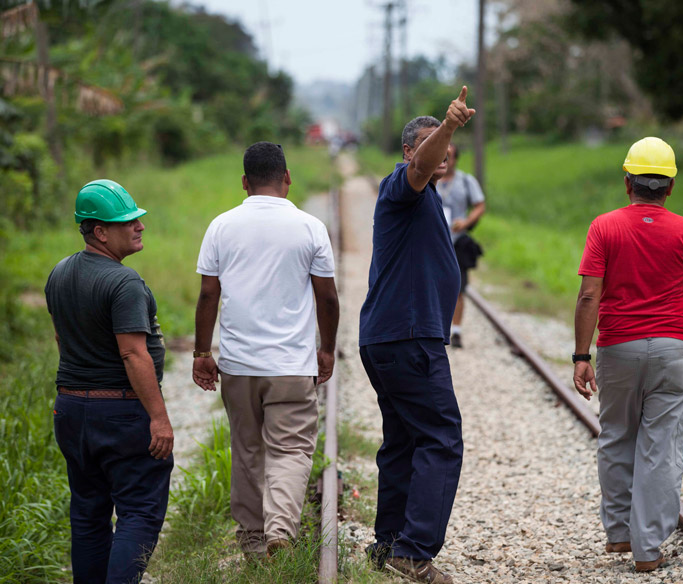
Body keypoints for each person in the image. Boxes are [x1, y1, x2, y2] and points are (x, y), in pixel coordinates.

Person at [572, 137, 683, 572]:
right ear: (670, 186)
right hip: (674, 349)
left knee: (616, 433)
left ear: (627, 182)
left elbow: (587, 296)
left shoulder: (604, 227)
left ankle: (618, 533)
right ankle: (647, 548)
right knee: (662, 445)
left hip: (618, 347)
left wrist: (582, 354)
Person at [192, 142, 339, 560]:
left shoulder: (221, 226)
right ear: (287, 178)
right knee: (291, 449)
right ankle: (280, 529)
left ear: (244, 182)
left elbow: (207, 294)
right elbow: (327, 299)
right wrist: (325, 349)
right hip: (292, 364)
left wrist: (203, 352)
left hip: (239, 365)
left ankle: (254, 541)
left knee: (248, 450)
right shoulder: (310, 227)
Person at [358, 86, 476, 583]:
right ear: (410, 151)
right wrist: (447, 127)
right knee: (442, 438)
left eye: (445, 145)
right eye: (430, 145)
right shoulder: (401, 187)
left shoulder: (428, 197)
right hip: (407, 338)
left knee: (404, 442)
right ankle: (413, 551)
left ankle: (389, 544)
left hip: (391, 337)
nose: (442, 153)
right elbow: (420, 168)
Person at [45, 179, 174, 584]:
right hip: (119, 412)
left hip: (70, 410)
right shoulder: (124, 283)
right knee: (139, 511)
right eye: (126, 222)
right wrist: (159, 417)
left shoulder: (59, 273)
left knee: (88, 513)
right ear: (99, 231)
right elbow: (133, 353)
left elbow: (61, 338)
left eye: (137, 219)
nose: (139, 226)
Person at [436, 142, 486, 348]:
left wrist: (466, 222)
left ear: (456, 159)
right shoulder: (430, 178)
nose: (445, 160)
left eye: (449, 156)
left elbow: (480, 205)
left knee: (458, 288)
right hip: (434, 242)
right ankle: (436, 329)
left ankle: (455, 331)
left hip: (457, 241)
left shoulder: (466, 181)